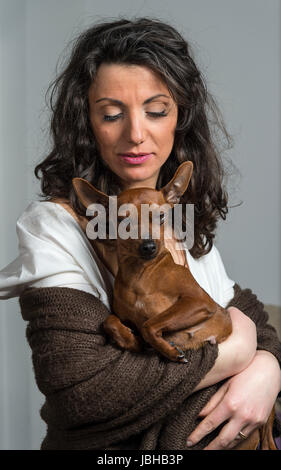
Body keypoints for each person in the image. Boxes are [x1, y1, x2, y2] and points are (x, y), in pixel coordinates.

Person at [0, 17, 280, 451]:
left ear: (179, 119)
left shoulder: (175, 217)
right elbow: (83, 395)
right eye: (111, 114)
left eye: (156, 111)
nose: (135, 135)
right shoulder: (56, 225)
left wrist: (266, 369)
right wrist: (237, 354)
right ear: (87, 123)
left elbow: (255, 322)